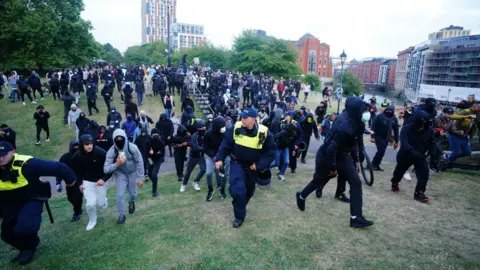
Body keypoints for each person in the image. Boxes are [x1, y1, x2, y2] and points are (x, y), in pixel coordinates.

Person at [296, 97, 374, 228]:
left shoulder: (358, 120)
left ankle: (356, 217)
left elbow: (356, 141)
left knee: (356, 182)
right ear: (356, 109)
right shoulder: (343, 124)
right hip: (328, 155)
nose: (366, 112)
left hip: (343, 155)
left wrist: (356, 160)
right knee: (319, 181)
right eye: (364, 110)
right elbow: (331, 148)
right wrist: (333, 167)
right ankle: (302, 196)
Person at [0, 141, 76, 265]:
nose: (0, 158)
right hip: (9, 202)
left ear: (13, 152)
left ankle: (30, 247)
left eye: (3, 155)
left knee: (25, 226)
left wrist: (71, 181)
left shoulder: (28, 164)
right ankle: (25, 247)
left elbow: (60, 168)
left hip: (32, 197)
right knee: (6, 234)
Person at [215, 108, 276, 228]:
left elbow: (271, 152)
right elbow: (226, 144)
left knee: (248, 192)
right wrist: (220, 158)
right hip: (237, 163)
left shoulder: (264, 132)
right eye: (241, 117)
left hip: (252, 168)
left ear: (254, 119)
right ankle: (239, 217)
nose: (242, 119)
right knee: (237, 190)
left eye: (245, 118)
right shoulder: (235, 127)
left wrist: (259, 165)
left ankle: (240, 204)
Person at [390, 110, 435, 202]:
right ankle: (395, 182)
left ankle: (419, 193)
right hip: (405, 155)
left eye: (425, 120)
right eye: (421, 120)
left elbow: (431, 142)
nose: (423, 123)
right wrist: (414, 152)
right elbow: (405, 144)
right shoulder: (406, 128)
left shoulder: (429, 130)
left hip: (420, 156)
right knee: (399, 172)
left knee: (424, 173)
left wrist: (435, 152)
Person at [104, 129, 144, 225]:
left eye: (120, 138)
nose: (119, 140)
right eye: (116, 139)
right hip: (120, 173)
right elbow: (106, 169)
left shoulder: (132, 147)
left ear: (125, 138)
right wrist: (116, 164)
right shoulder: (112, 151)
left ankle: (131, 202)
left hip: (132, 172)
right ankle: (121, 215)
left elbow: (140, 161)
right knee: (120, 195)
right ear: (113, 140)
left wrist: (140, 178)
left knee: (133, 194)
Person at [71, 134, 110, 230]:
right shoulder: (77, 156)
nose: (89, 146)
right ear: (81, 145)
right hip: (87, 182)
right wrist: (79, 184)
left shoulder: (100, 152)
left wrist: (104, 179)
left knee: (101, 203)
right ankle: (92, 220)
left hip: (101, 181)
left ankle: (104, 199)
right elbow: (75, 172)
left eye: (91, 143)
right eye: (86, 144)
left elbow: (110, 168)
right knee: (90, 204)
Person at [56, 141, 83, 221]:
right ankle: (78, 208)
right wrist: (58, 182)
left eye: (78, 147)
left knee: (77, 198)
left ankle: (77, 213)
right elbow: (59, 170)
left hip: (80, 181)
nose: (76, 149)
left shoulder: (83, 156)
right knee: (70, 198)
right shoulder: (65, 158)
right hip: (69, 182)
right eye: (74, 147)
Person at [204, 116, 228, 201]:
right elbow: (206, 148)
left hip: (224, 157)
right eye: (222, 126)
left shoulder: (226, 132)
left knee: (223, 175)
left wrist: (222, 157)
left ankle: (222, 190)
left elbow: (228, 145)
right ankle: (210, 190)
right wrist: (214, 156)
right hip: (211, 157)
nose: (224, 127)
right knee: (209, 173)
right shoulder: (208, 134)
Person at [370, 106, 399, 171]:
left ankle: (376, 165)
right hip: (378, 136)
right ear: (385, 110)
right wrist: (372, 137)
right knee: (380, 151)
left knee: (382, 153)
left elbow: (396, 131)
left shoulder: (394, 119)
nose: (388, 113)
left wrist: (396, 141)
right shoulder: (379, 116)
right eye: (387, 111)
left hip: (386, 138)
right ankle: (373, 164)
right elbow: (373, 126)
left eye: (390, 112)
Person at [180, 121, 207, 192]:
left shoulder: (205, 135)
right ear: (199, 129)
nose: (204, 129)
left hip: (201, 156)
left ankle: (195, 182)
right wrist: (205, 149)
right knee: (188, 172)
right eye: (203, 128)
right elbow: (195, 147)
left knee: (204, 169)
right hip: (193, 156)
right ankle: (183, 185)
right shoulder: (195, 136)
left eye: (205, 127)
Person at [147, 129, 165, 197]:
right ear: (151, 135)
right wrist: (150, 157)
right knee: (150, 174)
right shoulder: (148, 142)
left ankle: (154, 191)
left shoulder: (161, 143)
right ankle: (155, 182)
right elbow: (147, 153)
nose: (155, 136)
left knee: (154, 174)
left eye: (156, 135)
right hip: (150, 159)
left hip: (158, 160)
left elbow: (161, 153)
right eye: (154, 135)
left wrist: (153, 153)